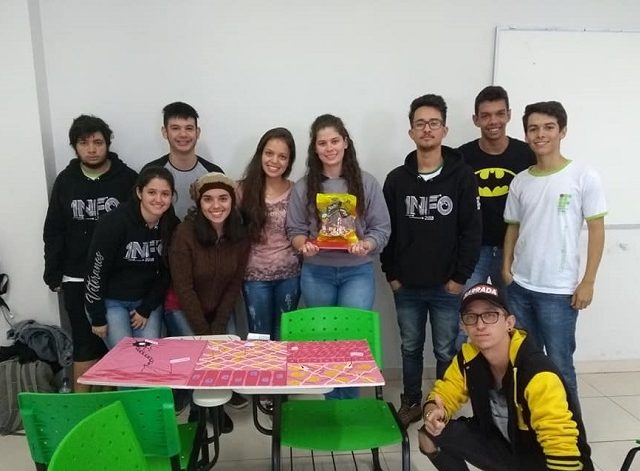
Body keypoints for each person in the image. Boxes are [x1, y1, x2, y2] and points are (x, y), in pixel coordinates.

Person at [380, 94, 481, 426]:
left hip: (446, 286)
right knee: (410, 347)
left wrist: (459, 277)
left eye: (433, 123)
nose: (427, 129)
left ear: (444, 130)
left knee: (444, 350)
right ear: (411, 132)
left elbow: (472, 231)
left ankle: (440, 406)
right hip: (406, 285)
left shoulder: (462, 177)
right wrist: (392, 274)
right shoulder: (396, 180)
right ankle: (411, 401)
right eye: (420, 124)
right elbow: (386, 231)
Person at [418, 283, 593, 471]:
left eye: (490, 315)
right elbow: (443, 394)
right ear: (463, 326)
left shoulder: (537, 372)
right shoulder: (467, 358)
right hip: (505, 446)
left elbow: (561, 449)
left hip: (540, 459)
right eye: (471, 317)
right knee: (428, 435)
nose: (480, 325)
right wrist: (432, 413)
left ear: (509, 323)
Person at [502, 101, 606, 405]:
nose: (540, 134)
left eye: (548, 127)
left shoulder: (583, 175)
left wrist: (588, 281)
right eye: (533, 129)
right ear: (526, 135)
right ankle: (532, 423)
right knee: (525, 363)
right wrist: (507, 268)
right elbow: (512, 227)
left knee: (560, 366)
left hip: (559, 292)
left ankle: (571, 430)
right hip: (521, 287)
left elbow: (597, 230)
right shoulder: (521, 181)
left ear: (562, 131)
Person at [286, 114, 391, 399]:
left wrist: (367, 244)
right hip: (316, 273)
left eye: (334, 141)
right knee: (323, 341)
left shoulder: (366, 183)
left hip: (357, 272)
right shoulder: (304, 186)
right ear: (314, 148)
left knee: (352, 341)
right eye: (322, 143)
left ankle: (349, 403)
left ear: (345, 142)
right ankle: (331, 401)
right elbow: (294, 230)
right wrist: (303, 245)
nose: (329, 148)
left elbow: (382, 228)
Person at [43, 115, 137, 392]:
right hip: (76, 276)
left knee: (120, 345)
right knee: (84, 344)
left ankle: (117, 401)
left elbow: (139, 227)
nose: (92, 149)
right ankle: (82, 407)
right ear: (75, 147)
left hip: (118, 277)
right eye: (84, 143)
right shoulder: (65, 181)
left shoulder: (127, 179)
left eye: (98, 142)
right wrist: (53, 272)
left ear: (108, 144)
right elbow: (54, 229)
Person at [168, 172, 251, 414]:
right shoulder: (184, 233)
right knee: (199, 357)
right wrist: (206, 333)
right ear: (199, 202)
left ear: (232, 201)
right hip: (182, 307)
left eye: (223, 198)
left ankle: (218, 404)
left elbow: (235, 283)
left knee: (225, 352)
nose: (216, 206)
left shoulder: (239, 234)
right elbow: (183, 288)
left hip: (219, 307)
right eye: (208, 199)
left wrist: (219, 326)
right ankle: (201, 413)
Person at [85, 167, 179, 349]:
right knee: (125, 355)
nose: (158, 199)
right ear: (139, 192)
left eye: (165, 194)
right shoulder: (114, 222)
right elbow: (95, 271)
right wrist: (97, 316)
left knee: (148, 353)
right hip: (111, 301)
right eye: (152, 192)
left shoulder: (172, 225)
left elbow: (168, 272)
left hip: (146, 302)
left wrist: (146, 308)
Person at [458, 86, 535, 294]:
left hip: (515, 249)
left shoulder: (527, 155)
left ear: (509, 115)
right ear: (476, 120)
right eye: (485, 116)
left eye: (500, 114)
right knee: (468, 308)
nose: (493, 121)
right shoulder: (461, 158)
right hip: (473, 250)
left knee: (513, 310)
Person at [238, 128, 300, 340]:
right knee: (259, 338)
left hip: (290, 275)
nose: (274, 161)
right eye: (269, 153)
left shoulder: (297, 191)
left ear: (289, 161)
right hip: (254, 277)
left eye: (282, 156)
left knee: (284, 338)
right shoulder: (241, 190)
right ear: (260, 154)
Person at [143, 101, 224, 219]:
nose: (183, 134)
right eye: (175, 128)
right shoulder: (151, 171)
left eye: (189, 128)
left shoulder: (213, 173)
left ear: (197, 132)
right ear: (165, 132)